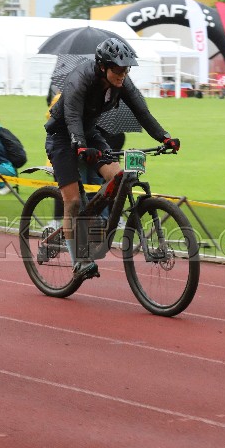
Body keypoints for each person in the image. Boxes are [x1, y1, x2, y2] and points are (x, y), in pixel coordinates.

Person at [45, 37, 180, 282]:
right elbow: (72, 116)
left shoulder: (122, 83)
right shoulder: (80, 78)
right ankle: (79, 261)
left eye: (126, 70)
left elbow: (142, 112)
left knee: (118, 177)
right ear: (102, 66)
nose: (122, 75)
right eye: (118, 70)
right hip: (63, 136)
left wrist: (165, 137)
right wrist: (80, 146)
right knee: (73, 201)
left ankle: (93, 219)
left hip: (90, 134)